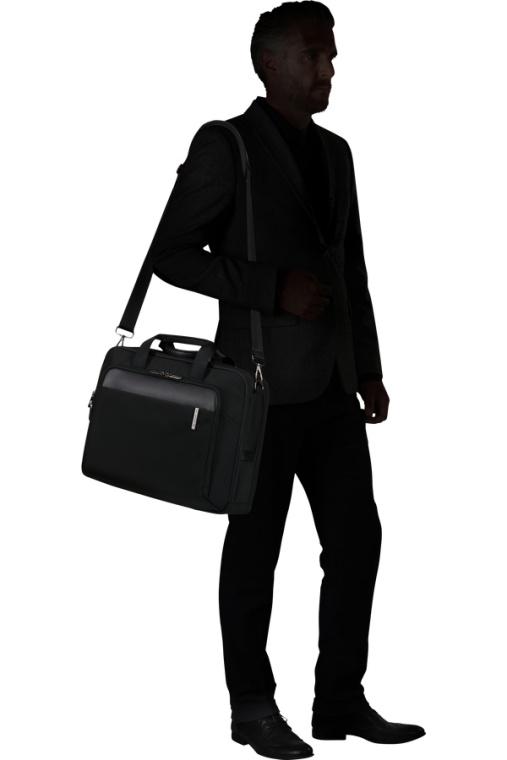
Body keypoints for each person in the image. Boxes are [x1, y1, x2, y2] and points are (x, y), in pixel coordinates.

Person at [152, 2, 425, 754]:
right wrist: (271, 288)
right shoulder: (225, 143)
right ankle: (251, 710)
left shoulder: (337, 150)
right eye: (314, 55)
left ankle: (339, 705)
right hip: (256, 386)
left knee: (358, 541)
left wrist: (370, 367)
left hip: (333, 387)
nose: (330, 69)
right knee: (255, 553)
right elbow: (173, 253)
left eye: (334, 54)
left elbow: (353, 268)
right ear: (270, 63)